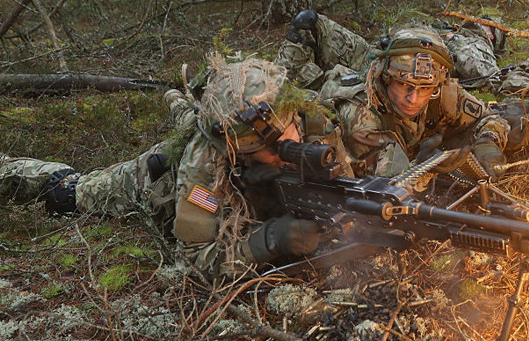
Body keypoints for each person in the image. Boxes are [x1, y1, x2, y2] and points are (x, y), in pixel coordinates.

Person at [0, 55, 339, 277]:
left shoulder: (310, 118)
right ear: (234, 152)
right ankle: (9, 168)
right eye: (262, 151)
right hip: (154, 184)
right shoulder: (203, 164)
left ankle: (175, 100)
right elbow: (194, 260)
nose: (281, 154)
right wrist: (270, 238)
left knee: (185, 114)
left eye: (285, 142)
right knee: (67, 193)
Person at [314, 25, 510, 179]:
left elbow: (490, 118)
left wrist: (487, 141)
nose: (413, 98)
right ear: (385, 77)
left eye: (424, 89)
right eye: (403, 84)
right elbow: (390, 185)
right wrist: (423, 166)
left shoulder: (443, 92)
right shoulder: (361, 114)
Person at [273, 10, 505, 90]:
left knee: (336, 85)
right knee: (310, 21)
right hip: (374, 54)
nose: (482, 24)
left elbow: (488, 78)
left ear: (491, 35)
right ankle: (283, 83)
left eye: (488, 25)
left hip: (394, 74)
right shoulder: (452, 30)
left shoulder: (474, 42)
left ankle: (301, 88)